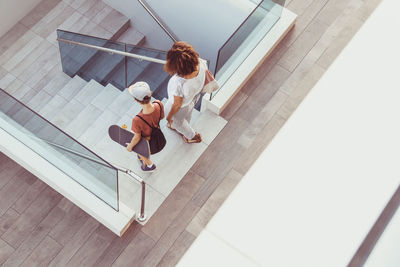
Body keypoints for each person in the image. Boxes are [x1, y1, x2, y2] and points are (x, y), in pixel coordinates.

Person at [164, 41, 208, 143]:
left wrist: (169, 117)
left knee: (177, 122)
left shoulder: (179, 83)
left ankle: (192, 136)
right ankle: (185, 128)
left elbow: (177, 104)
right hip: (194, 97)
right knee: (186, 116)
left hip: (181, 105)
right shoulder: (201, 63)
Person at [126, 81, 164, 172]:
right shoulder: (158, 103)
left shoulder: (137, 119)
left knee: (138, 148)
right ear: (150, 94)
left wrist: (130, 146)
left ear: (136, 100)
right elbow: (162, 117)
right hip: (158, 136)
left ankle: (150, 165)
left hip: (146, 141)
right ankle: (144, 158)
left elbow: (137, 137)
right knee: (141, 148)